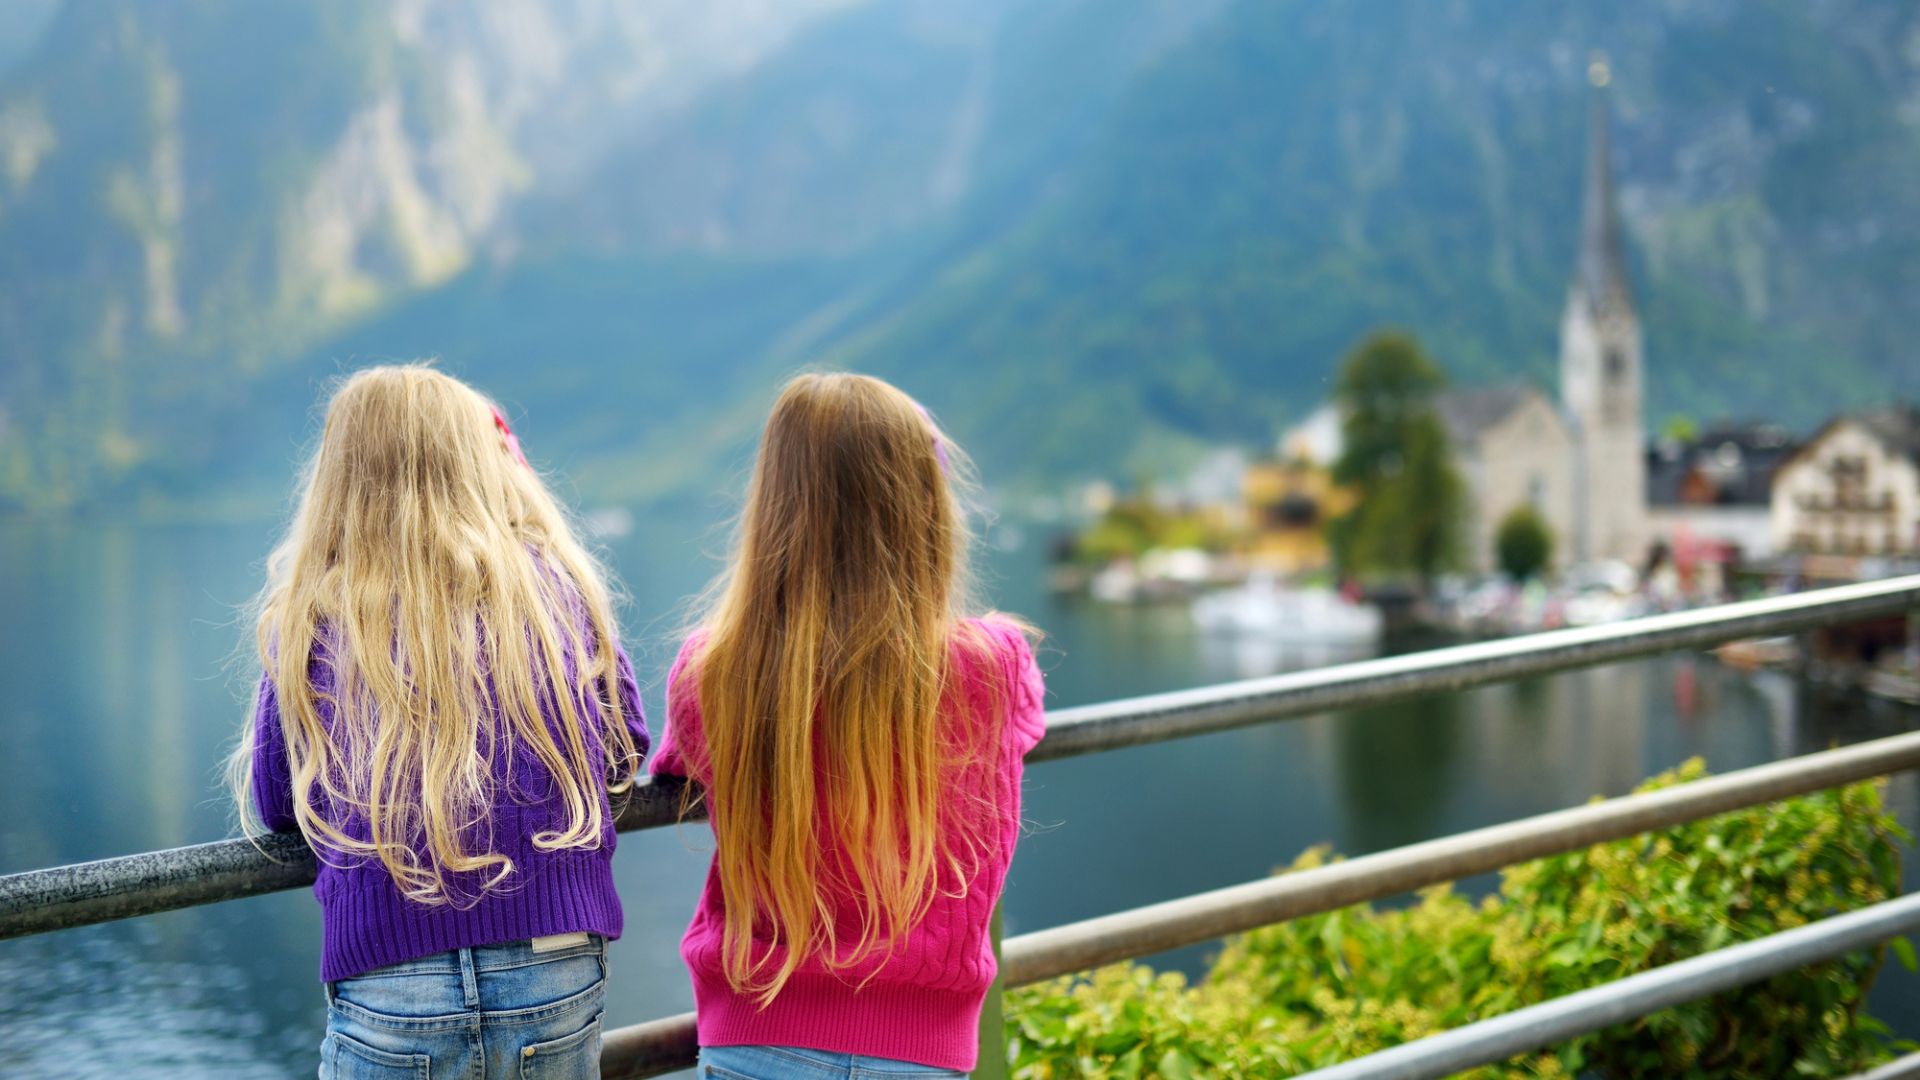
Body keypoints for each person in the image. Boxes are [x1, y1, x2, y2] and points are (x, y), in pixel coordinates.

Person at [230, 365, 649, 1078]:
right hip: (556, 964)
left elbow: (277, 805)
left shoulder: (313, 618)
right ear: (484, 464)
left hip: (394, 979)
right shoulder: (556, 590)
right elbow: (624, 747)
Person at [651, 373, 1047, 1079]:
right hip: (923, 1052)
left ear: (773, 502)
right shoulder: (995, 664)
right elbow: (1022, 724)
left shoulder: (711, 670)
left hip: (755, 1035)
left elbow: (680, 761)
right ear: (925, 503)